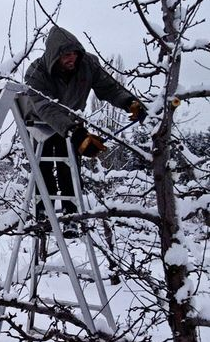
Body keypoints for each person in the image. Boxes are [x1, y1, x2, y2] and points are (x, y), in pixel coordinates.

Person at [23, 26, 144, 237]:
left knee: (69, 166)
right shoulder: (36, 72)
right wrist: (75, 132)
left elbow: (109, 87)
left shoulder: (87, 65)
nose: (72, 59)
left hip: (71, 121)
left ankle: (71, 215)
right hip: (41, 124)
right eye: (66, 55)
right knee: (43, 164)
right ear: (55, 56)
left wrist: (129, 102)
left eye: (74, 54)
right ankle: (44, 212)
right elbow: (46, 108)